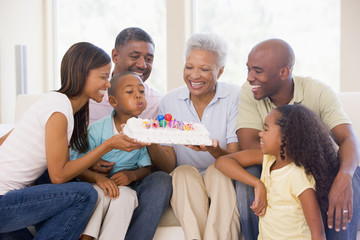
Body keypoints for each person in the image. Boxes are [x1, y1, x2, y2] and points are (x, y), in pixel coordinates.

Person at [0, 42, 147, 239]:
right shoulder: (59, 109)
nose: (108, 84)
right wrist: (108, 145)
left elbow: (11, 138)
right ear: (82, 75)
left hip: (11, 198)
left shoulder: (57, 103)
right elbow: (59, 176)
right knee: (84, 194)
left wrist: (93, 168)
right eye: (103, 77)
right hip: (4, 200)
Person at [235, 38, 360, 240]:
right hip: (276, 166)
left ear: (284, 72)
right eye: (248, 69)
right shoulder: (249, 92)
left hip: (319, 167)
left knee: (351, 176)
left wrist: (343, 177)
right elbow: (249, 146)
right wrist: (288, 170)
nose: (250, 78)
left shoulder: (318, 91)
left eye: (257, 71)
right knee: (247, 177)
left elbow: (348, 138)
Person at [148, 32, 241, 240]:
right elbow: (169, 165)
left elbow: (234, 157)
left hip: (222, 170)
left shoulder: (234, 96)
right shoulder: (169, 101)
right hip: (185, 173)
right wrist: (150, 141)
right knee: (182, 173)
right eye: (189, 67)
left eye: (204, 69)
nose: (194, 76)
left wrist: (213, 149)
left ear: (221, 71)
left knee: (218, 172)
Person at [86, 27, 172, 240]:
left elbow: (159, 164)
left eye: (149, 58)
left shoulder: (156, 102)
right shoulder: (88, 95)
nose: (143, 64)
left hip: (134, 178)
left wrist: (148, 138)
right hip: (91, 176)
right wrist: (91, 166)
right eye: (135, 56)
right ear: (115, 56)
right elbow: (70, 151)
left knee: (161, 180)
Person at [216, 104, 340, 239]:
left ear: (285, 137)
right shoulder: (268, 160)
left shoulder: (298, 177)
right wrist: (257, 184)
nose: (260, 134)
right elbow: (222, 162)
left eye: (265, 129)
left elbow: (318, 234)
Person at [72, 72, 152, 240]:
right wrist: (97, 178)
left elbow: (147, 167)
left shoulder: (145, 132)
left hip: (124, 187)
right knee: (96, 195)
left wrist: (132, 175)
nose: (138, 95)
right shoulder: (96, 130)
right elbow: (76, 165)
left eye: (142, 91)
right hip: (95, 183)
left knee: (127, 198)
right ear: (114, 101)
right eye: (130, 92)